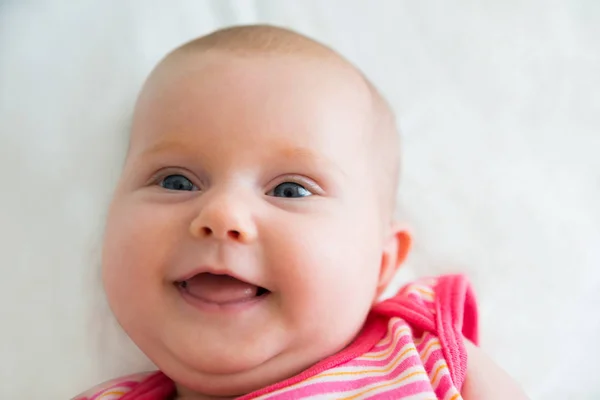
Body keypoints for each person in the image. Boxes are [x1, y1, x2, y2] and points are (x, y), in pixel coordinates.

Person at [75, 24, 527, 400]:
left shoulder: (422, 356)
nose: (223, 213)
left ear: (382, 263)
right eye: (176, 182)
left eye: (290, 189)